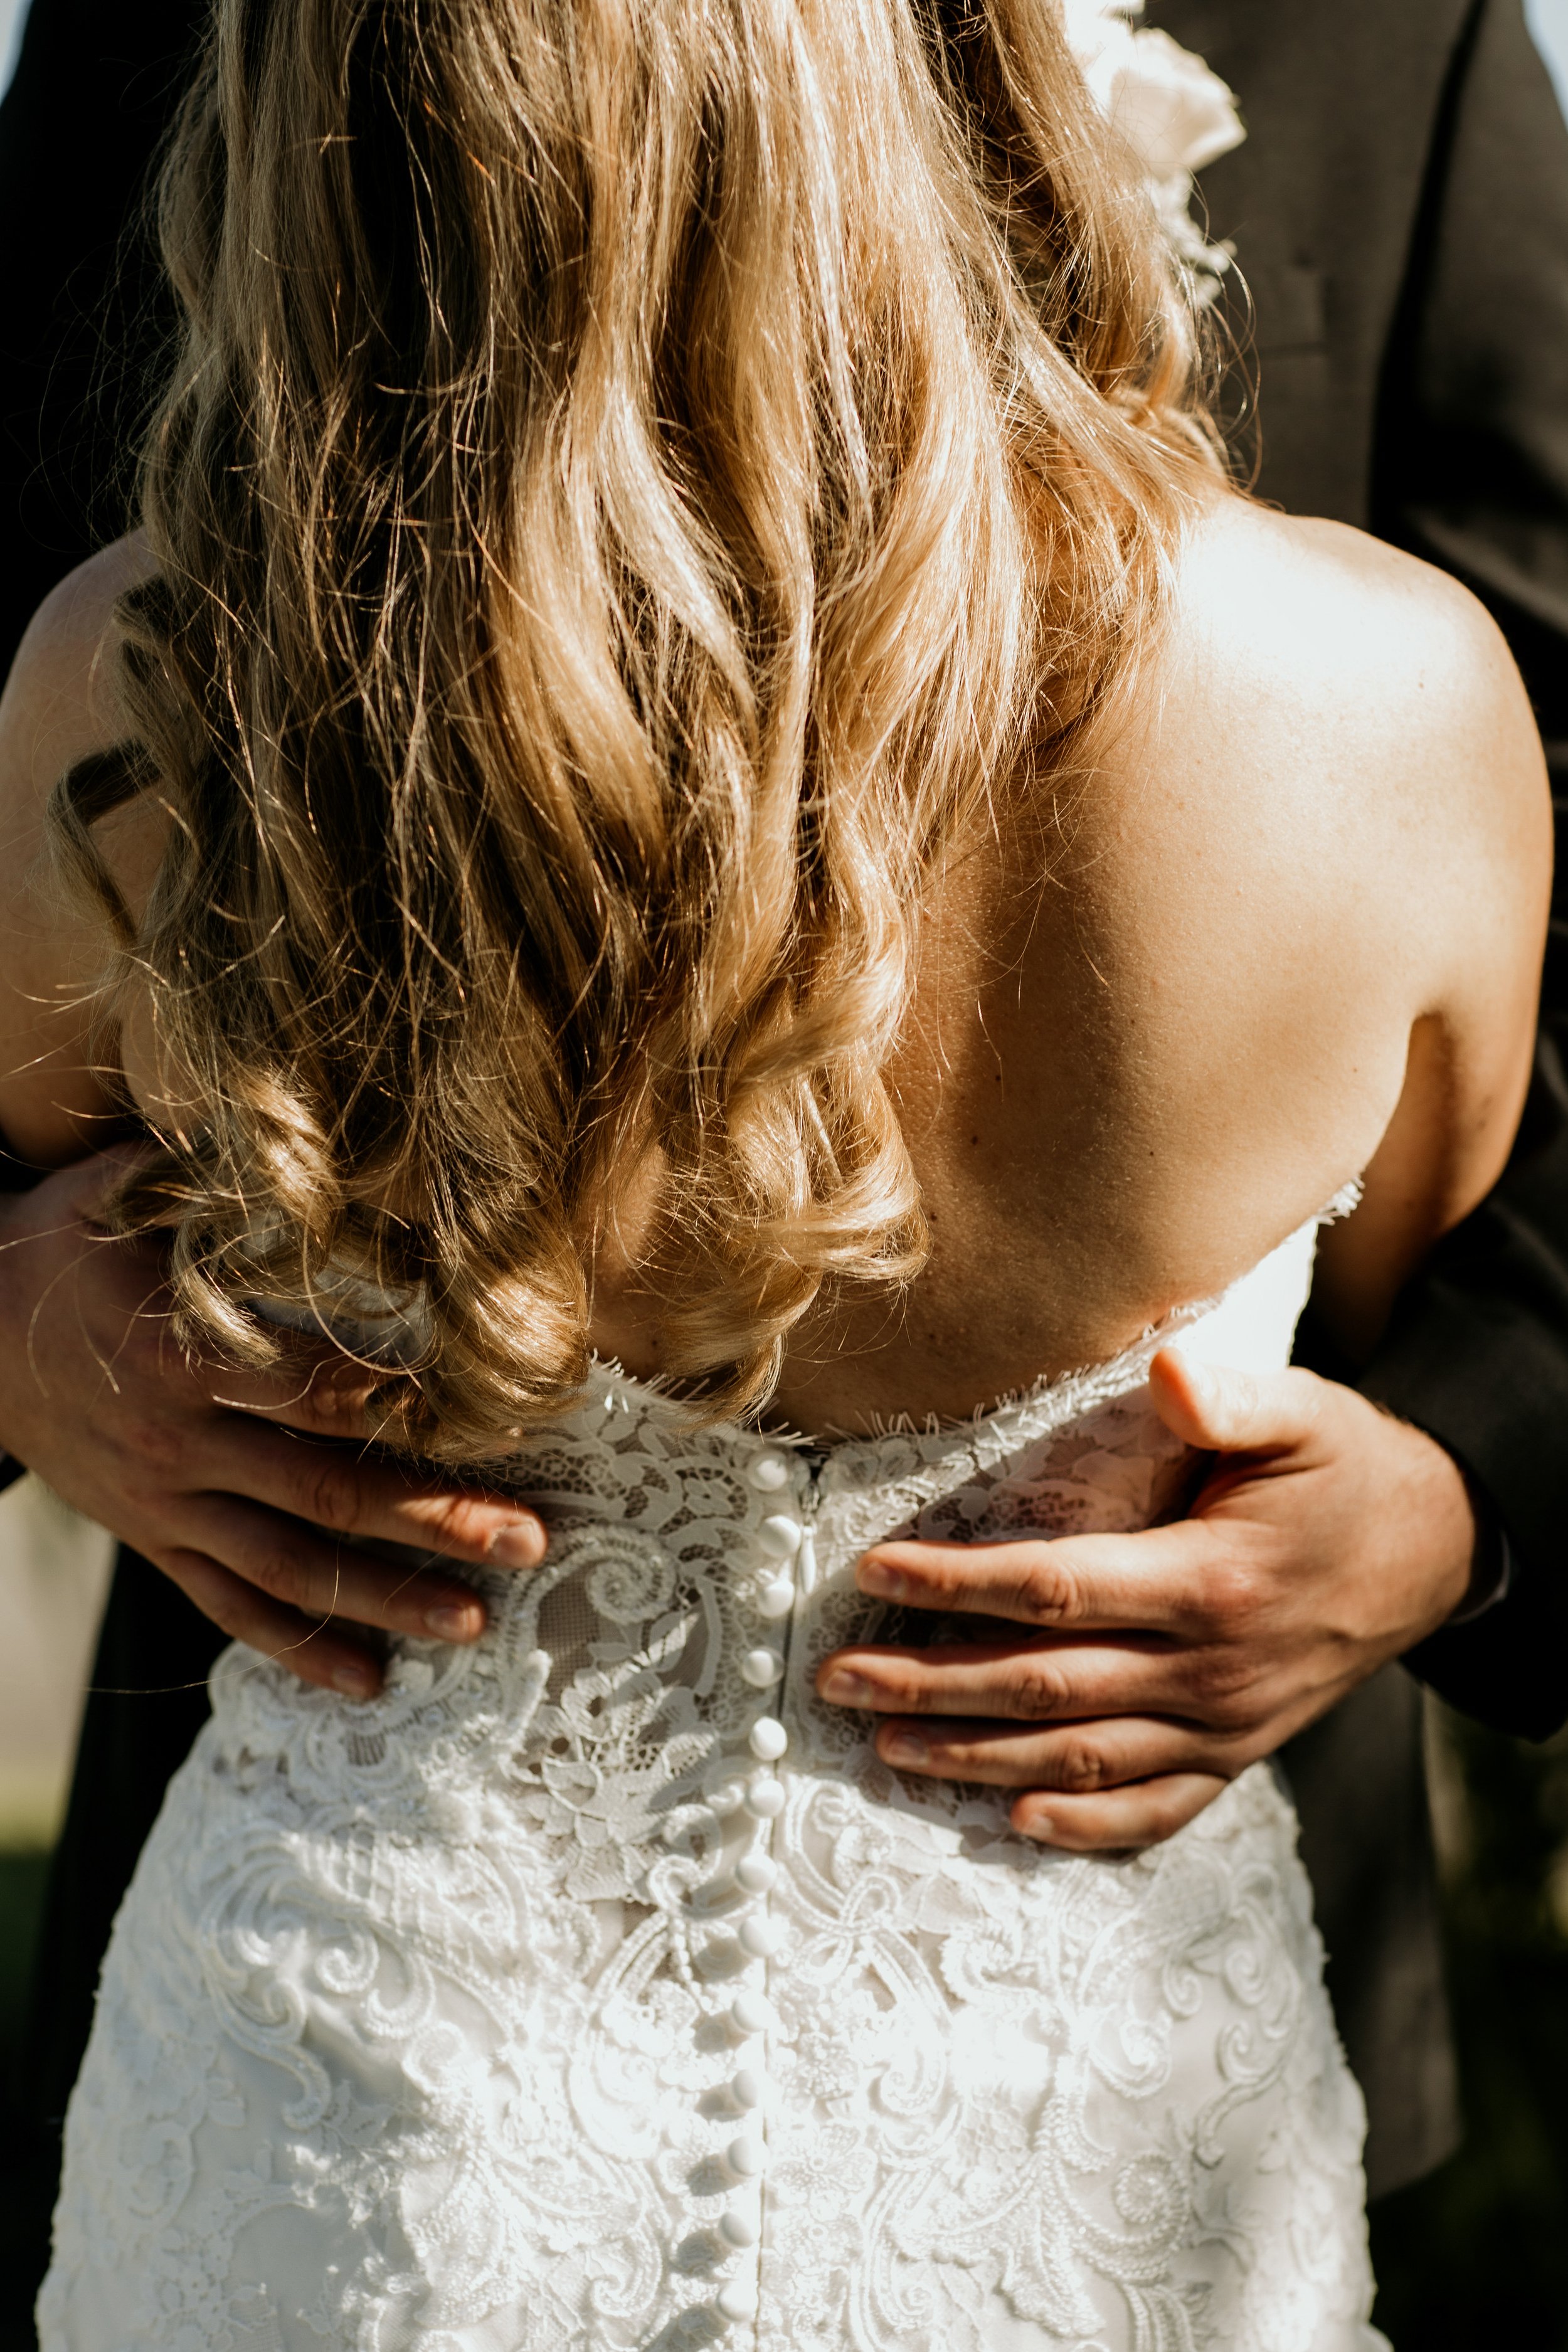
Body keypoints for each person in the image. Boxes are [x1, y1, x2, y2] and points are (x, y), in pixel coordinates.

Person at [6, 0, 1549, 2339]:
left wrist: (1469, 1480)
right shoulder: (1384, 706)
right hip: (1054, 2113)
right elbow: (1417, 1159)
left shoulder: (119, 692)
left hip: (355, 2147)